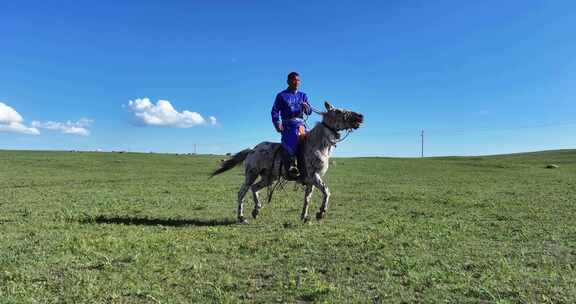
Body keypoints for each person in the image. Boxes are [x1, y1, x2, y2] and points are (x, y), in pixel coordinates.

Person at [271, 72, 312, 179]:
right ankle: (290, 170)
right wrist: (277, 123)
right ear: (288, 81)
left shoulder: (303, 95)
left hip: (302, 126)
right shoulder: (281, 95)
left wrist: (306, 106)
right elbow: (274, 111)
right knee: (289, 145)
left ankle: (306, 171)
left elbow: (309, 112)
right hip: (288, 126)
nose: (297, 82)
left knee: (309, 143)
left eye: (298, 80)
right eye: (294, 80)